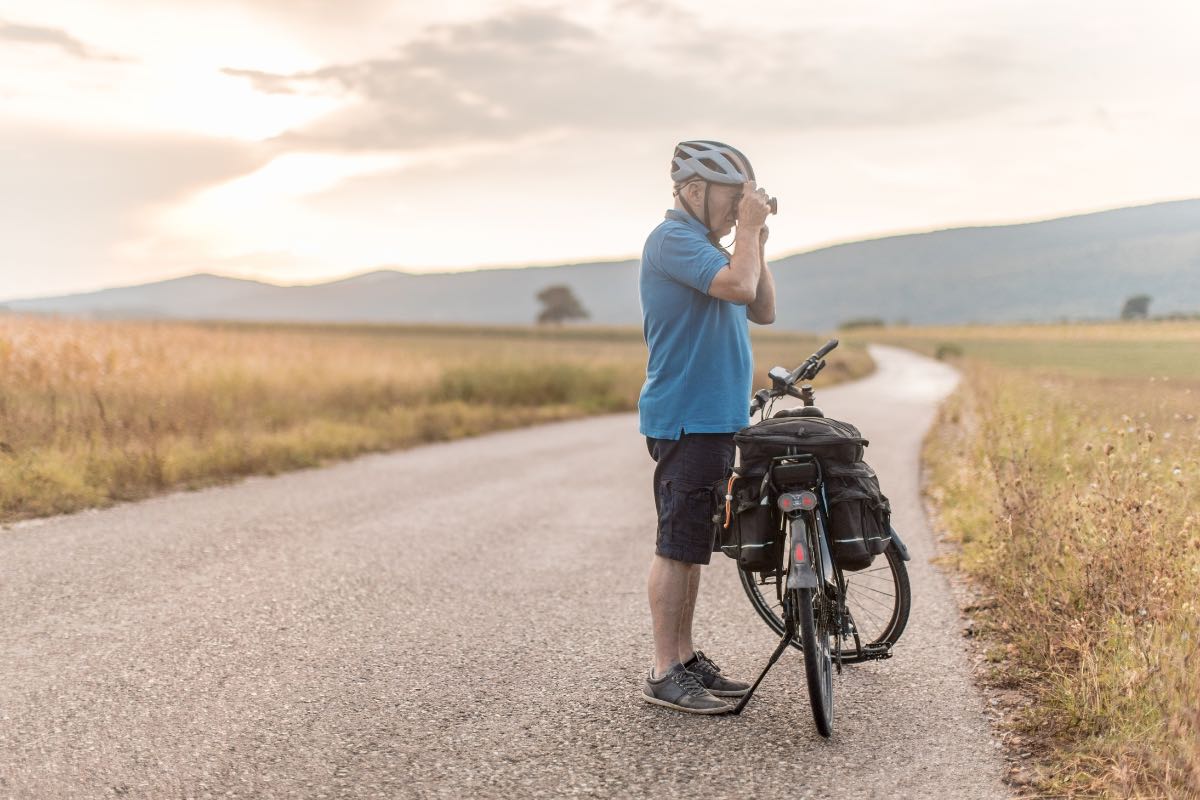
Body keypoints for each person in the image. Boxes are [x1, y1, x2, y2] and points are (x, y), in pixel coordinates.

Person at [638, 140, 776, 714]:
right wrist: (746, 234)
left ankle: (687, 659)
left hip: (717, 421)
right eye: (731, 196)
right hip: (688, 417)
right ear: (693, 191)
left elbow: (762, 306)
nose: (738, 206)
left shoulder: (715, 250)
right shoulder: (673, 241)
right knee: (677, 546)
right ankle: (665, 670)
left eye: (745, 197)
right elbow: (739, 290)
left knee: (695, 545)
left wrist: (756, 240)